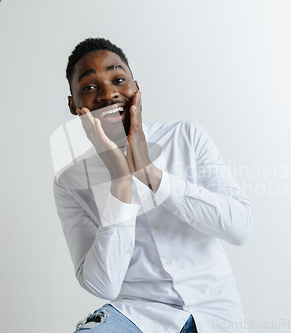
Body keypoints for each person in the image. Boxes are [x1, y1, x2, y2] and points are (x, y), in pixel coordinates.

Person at [53, 37, 253, 333]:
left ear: (136, 88)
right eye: (90, 87)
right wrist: (120, 182)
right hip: (138, 315)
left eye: (118, 79)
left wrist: (149, 172)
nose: (108, 94)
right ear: (74, 105)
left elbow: (240, 228)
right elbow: (102, 284)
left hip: (215, 313)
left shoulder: (186, 136)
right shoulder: (69, 181)